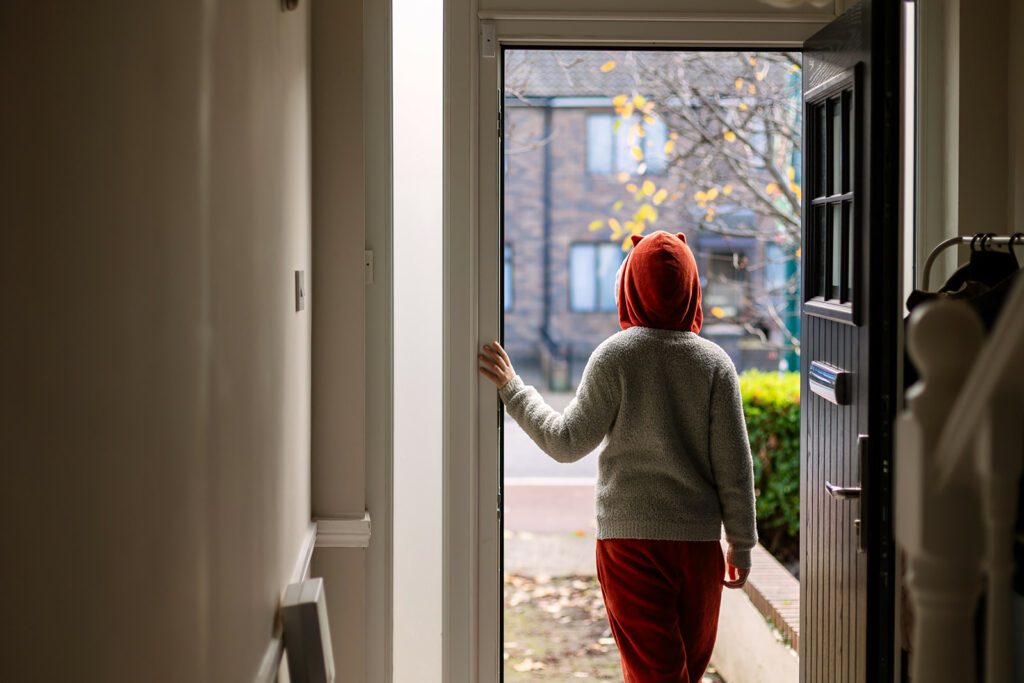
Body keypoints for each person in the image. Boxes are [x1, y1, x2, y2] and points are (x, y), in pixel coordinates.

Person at [479, 230, 756, 683]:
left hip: (629, 547)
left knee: (656, 675)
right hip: (699, 549)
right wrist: (741, 543)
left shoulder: (615, 357)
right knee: (683, 670)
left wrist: (514, 391)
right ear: (692, 290)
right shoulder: (714, 364)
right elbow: (735, 466)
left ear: (628, 287)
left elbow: (566, 442)